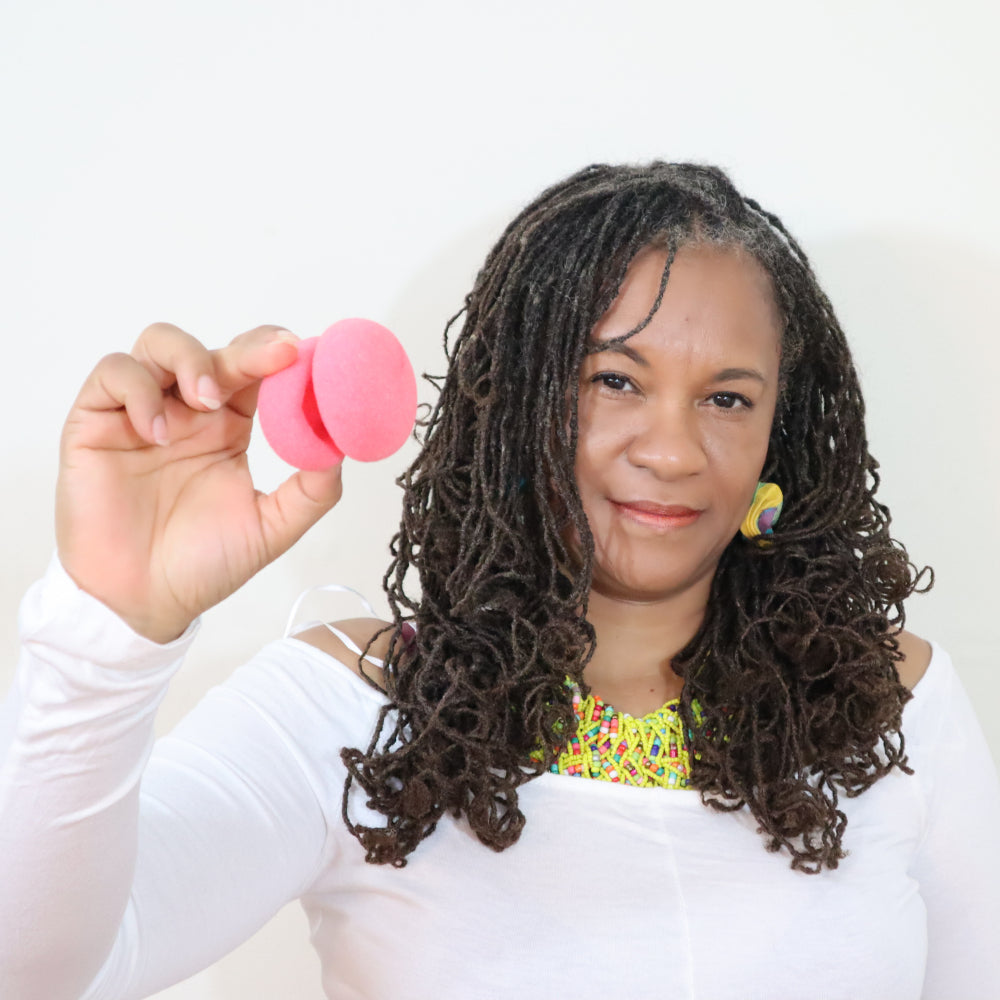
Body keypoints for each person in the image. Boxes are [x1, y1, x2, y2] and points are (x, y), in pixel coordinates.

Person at [1, 162, 998, 1000]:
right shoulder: (349, 711)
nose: (673, 449)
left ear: (776, 437)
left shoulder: (894, 706)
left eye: (727, 398)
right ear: (516, 406)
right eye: (615, 379)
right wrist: (109, 630)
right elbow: (39, 967)